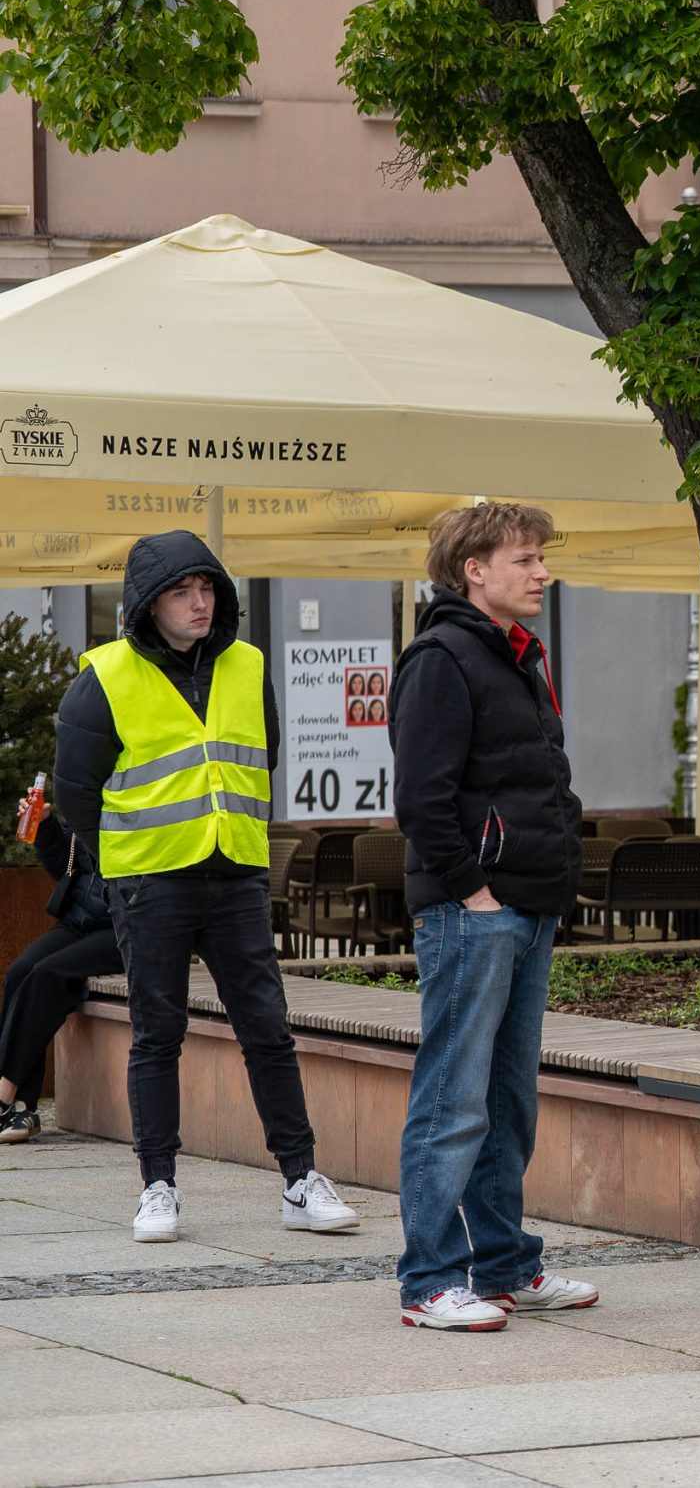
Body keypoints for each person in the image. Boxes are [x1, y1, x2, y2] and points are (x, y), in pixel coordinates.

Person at [51, 531, 359, 1246]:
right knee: (157, 1035)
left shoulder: (247, 665)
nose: (199, 602)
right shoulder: (105, 677)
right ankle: (157, 1185)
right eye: (182, 591)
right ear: (147, 602)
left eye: (208, 588)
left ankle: (301, 1179)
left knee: (268, 1030)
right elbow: (74, 796)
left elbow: (263, 756)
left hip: (236, 873)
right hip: (150, 881)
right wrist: (125, 859)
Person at [388, 504, 590, 1331]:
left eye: (542, 558)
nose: (542, 572)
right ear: (474, 569)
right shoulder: (442, 658)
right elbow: (420, 799)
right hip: (474, 913)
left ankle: (505, 1264)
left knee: (507, 1102)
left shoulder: (516, 652)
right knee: (453, 1099)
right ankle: (429, 1279)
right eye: (525, 559)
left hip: (526, 908)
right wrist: (474, 890)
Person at [0, 814, 119, 1145]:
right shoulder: (85, 801)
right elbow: (65, 868)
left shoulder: (127, 800)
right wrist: (47, 826)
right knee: (20, 971)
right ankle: (23, 1109)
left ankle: (6, 1092)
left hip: (124, 928)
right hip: (79, 918)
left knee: (47, 975)